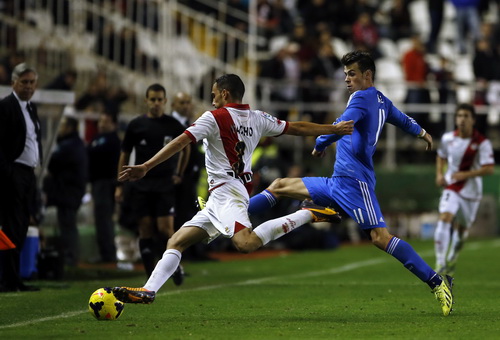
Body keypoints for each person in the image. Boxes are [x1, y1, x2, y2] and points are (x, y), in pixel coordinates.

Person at [111, 74, 354, 304]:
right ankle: (149, 290)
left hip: (229, 192)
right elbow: (297, 128)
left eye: (214, 93)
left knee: (245, 244)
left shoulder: (213, 117)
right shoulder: (258, 117)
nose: (212, 98)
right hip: (222, 194)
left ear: (225, 94)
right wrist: (332, 130)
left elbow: (180, 141)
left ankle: (307, 213)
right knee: (176, 241)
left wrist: (146, 165)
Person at [247, 51, 454, 316]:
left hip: (356, 185)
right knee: (279, 185)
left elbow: (342, 124)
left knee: (380, 238)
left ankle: (438, 282)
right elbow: (402, 119)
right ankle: (237, 215)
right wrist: (423, 133)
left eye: (352, 73)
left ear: (367, 75)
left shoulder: (361, 98)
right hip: (338, 182)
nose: (347, 79)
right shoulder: (381, 100)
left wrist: (320, 143)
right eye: (345, 74)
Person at [114, 84, 189, 284]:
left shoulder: (173, 125)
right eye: (152, 99)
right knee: (145, 229)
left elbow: (186, 148)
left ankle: (176, 266)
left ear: (165, 101)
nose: (156, 103)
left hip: (164, 184)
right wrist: (120, 184)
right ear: (146, 101)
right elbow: (125, 153)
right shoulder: (136, 125)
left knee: (165, 229)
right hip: (141, 184)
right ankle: (150, 277)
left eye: (159, 99)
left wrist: (179, 173)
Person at [434, 103, 494, 276]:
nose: (462, 119)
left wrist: (466, 174)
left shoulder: (482, 143)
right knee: (445, 217)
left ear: (473, 120)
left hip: (471, 192)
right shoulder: (448, 139)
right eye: (459, 116)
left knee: (462, 230)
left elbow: (489, 168)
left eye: (466, 116)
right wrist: (439, 174)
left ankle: (452, 256)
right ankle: (439, 263)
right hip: (451, 186)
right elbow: (441, 156)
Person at [0, 63, 42, 292]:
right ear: (13, 83)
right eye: (24, 82)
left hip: (28, 174)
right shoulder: (5, 107)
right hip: (14, 172)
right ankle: (8, 280)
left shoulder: (30, 108)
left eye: (31, 82)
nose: (28, 87)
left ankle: (13, 278)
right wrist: (7, 172)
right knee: (10, 226)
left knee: (22, 225)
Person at [43, 116, 88, 267]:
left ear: (70, 127)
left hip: (68, 192)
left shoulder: (69, 145)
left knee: (67, 224)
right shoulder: (74, 144)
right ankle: (69, 256)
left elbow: (52, 163)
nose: (60, 128)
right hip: (71, 191)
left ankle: (70, 257)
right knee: (67, 223)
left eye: (63, 125)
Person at [170, 92, 209, 261]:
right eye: (182, 103)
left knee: (189, 213)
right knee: (177, 215)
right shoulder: (170, 125)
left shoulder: (190, 124)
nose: (186, 106)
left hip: (191, 178)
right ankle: (177, 252)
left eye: (188, 102)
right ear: (173, 105)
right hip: (174, 178)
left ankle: (192, 252)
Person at [88, 112, 121, 263]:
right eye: (100, 121)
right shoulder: (97, 139)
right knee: (100, 219)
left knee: (105, 218)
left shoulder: (113, 141)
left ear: (113, 124)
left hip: (107, 183)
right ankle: (104, 253)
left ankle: (108, 255)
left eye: (106, 121)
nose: (102, 124)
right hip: (97, 183)